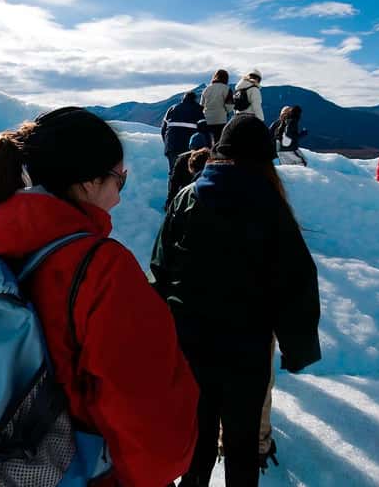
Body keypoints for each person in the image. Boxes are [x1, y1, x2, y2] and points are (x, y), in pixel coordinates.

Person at [0, 107, 199, 486]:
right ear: (89, 182)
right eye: (119, 180)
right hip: (88, 472)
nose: (119, 197)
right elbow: (145, 407)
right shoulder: (102, 268)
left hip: (6, 466)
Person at [151, 114, 322, 487]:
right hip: (246, 347)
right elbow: (297, 282)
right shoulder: (270, 205)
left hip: (190, 342)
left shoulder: (187, 196)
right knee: (242, 444)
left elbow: (161, 267)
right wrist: (298, 349)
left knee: (197, 438)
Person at [166, 131, 212, 210]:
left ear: (191, 146)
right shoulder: (211, 158)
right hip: (205, 198)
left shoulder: (182, 159)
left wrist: (170, 202)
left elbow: (174, 182)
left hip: (186, 196)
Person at [162, 91, 205, 171]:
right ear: (194, 99)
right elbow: (203, 129)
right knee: (186, 173)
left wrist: (167, 143)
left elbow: (163, 129)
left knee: (173, 172)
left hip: (171, 146)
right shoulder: (198, 109)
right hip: (187, 148)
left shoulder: (171, 109)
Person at [200, 69, 233, 143]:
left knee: (208, 142)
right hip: (220, 119)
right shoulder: (227, 89)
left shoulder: (206, 89)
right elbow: (229, 107)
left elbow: (201, 105)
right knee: (218, 142)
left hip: (207, 120)